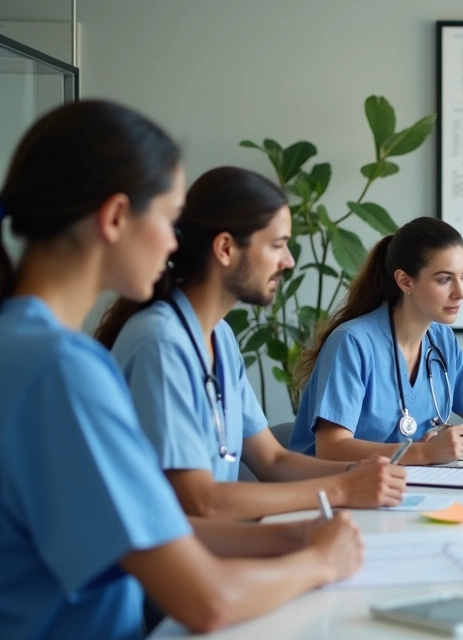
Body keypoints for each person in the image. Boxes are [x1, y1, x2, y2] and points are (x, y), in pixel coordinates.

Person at [0, 100, 362, 638]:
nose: (175, 243)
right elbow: (207, 602)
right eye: (169, 220)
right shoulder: (64, 371)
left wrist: (295, 537)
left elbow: (149, 531)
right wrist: (321, 561)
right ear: (115, 218)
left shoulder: (24, 345)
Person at [93, 166, 406, 521]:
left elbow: (273, 461)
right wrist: (343, 489)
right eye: (277, 245)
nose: (288, 261)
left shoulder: (221, 337)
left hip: (215, 540)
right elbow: (200, 502)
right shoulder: (161, 344)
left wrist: (362, 474)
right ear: (225, 248)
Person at [290, 217, 463, 463]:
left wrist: (457, 440)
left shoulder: (442, 341)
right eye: (444, 279)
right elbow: (331, 449)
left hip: (411, 479)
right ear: (405, 281)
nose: (460, 292)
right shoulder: (352, 342)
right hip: (336, 482)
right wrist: (425, 452)